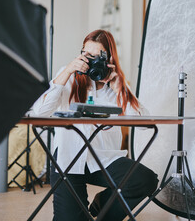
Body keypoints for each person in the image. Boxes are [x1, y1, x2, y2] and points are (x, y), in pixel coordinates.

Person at [32, 29, 158, 221]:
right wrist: (67, 70)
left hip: (103, 159)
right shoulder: (69, 78)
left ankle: (102, 207)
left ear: (108, 58)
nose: (89, 61)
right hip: (68, 159)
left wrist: (120, 90)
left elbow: (144, 124)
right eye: (85, 54)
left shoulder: (116, 85)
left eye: (95, 57)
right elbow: (39, 112)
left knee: (144, 180)